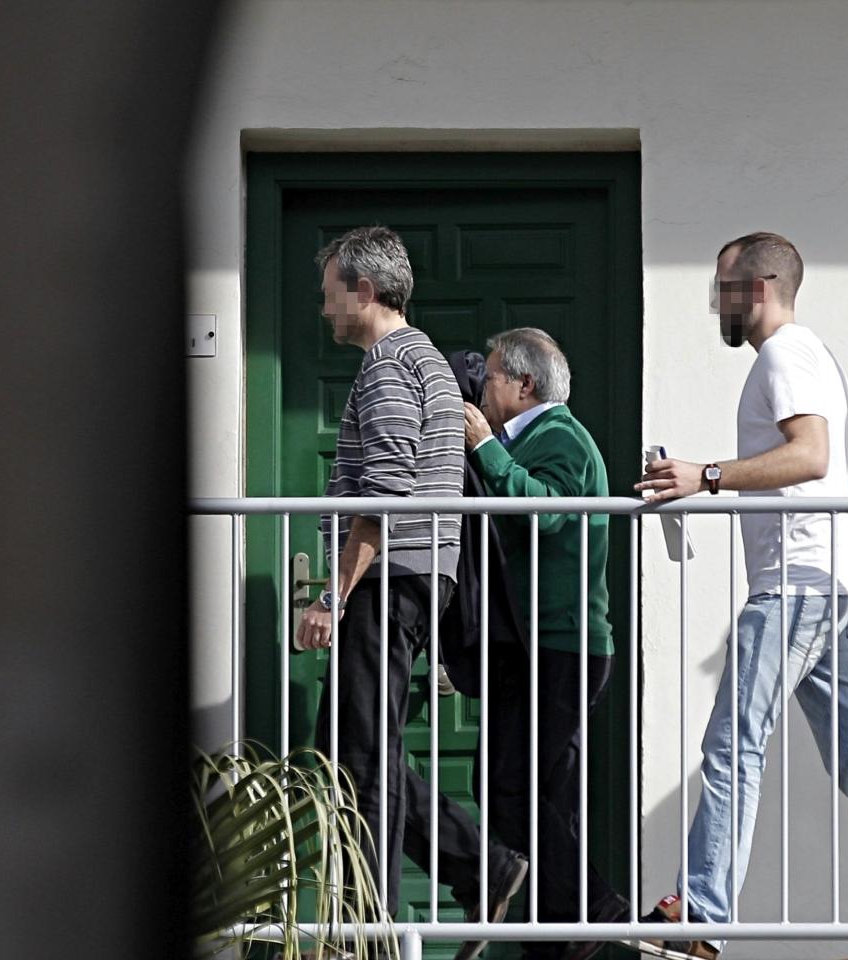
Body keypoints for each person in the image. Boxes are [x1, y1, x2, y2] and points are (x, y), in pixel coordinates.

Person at [633, 232, 848, 960]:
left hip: (797, 588)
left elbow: (811, 455)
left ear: (762, 285)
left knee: (733, 745)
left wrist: (704, 477)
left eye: (724, 286)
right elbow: (842, 478)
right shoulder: (817, 358)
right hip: (829, 581)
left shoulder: (786, 355)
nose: (717, 301)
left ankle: (701, 916)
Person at [293, 225, 526, 960]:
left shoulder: (391, 366)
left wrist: (331, 595)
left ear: (364, 291)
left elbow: (386, 494)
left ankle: (372, 926)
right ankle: (478, 866)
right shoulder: (414, 358)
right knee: (349, 746)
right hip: (409, 575)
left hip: (391, 577)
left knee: (356, 756)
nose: (324, 306)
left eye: (330, 291)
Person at [462, 327, 629, 960]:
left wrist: (486, 448)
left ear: (524, 384)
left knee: (509, 786)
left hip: (561, 646)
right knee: (538, 792)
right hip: (545, 645)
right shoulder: (539, 437)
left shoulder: (558, 436)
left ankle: (591, 908)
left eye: (494, 375)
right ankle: (561, 934)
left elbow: (548, 510)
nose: (484, 387)